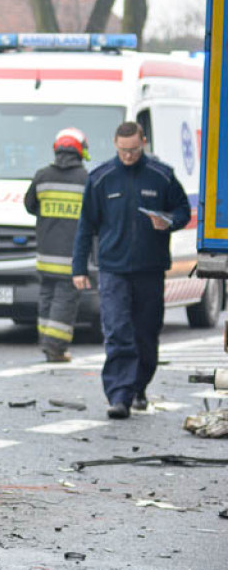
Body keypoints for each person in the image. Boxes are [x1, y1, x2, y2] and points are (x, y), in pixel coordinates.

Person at [71, 121, 191, 419]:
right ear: (115, 144)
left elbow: (183, 211)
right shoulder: (101, 178)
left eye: (134, 150)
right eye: (123, 150)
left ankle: (138, 386)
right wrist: (78, 267)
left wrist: (169, 221)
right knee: (117, 331)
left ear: (144, 142)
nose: (128, 156)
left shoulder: (161, 176)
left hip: (150, 270)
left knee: (146, 334)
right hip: (113, 269)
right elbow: (86, 225)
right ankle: (119, 395)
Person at [24, 128, 91, 362]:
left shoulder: (42, 176)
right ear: (81, 151)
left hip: (45, 254)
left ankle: (46, 343)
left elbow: (30, 205)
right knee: (64, 301)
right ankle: (56, 348)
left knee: (47, 298)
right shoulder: (86, 180)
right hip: (71, 256)